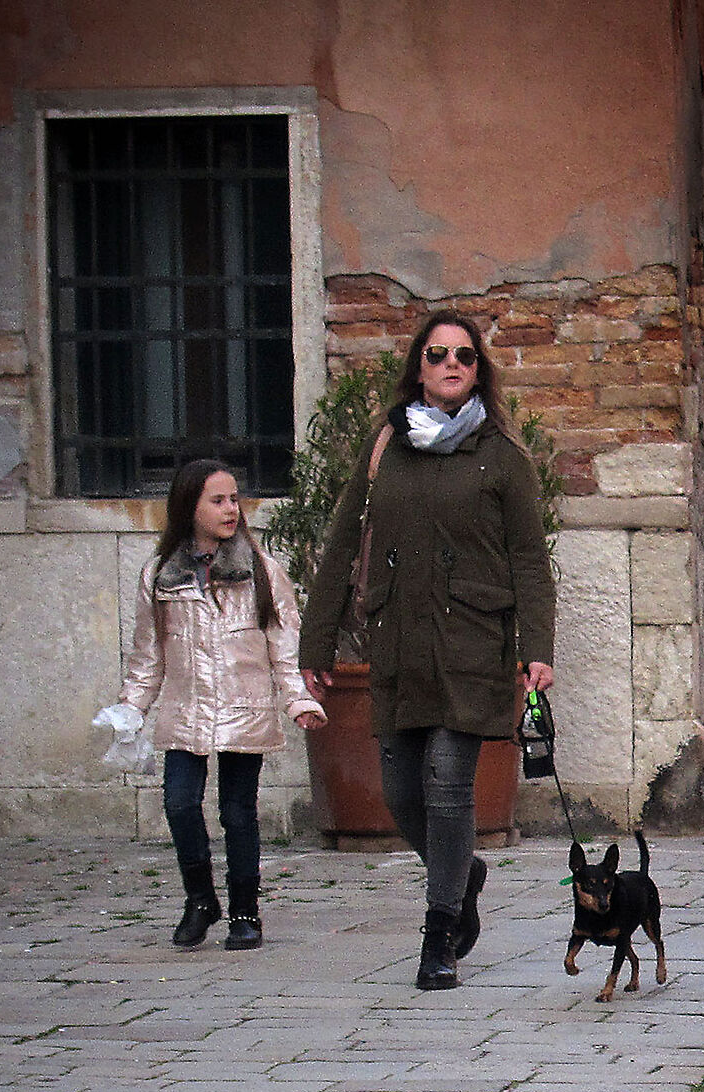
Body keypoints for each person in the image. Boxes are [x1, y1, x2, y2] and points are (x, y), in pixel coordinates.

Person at [301, 312, 557, 991]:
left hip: (474, 641)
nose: (450, 364)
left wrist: (538, 648)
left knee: (448, 786)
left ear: (479, 371)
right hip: (398, 643)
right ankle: (462, 871)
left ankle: (438, 931)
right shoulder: (387, 445)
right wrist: (316, 640)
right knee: (398, 791)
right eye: (437, 353)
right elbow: (339, 540)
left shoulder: (501, 456)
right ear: (419, 365)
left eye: (464, 356)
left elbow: (530, 560)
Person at [119, 458, 326, 951]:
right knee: (179, 803)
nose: (231, 509)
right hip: (186, 711)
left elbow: (284, 646)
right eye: (218, 500)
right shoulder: (159, 576)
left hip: (244, 707)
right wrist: (130, 710)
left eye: (235, 499)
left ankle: (244, 912)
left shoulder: (262, 572)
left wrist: (297, 700)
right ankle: (199, 899)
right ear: (189, 507)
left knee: (238, 813)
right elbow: (149, 657)